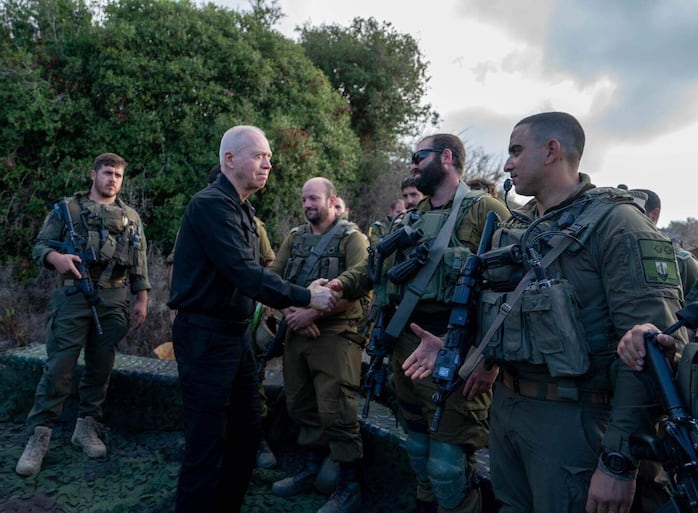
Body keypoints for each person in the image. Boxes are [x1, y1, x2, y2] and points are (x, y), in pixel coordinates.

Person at [401, 112, 685, 513]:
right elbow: (509, 318)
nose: (506, 163)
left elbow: (654, 352)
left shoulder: (618, 224)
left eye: (516, 151)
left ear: (552, 151)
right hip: (510, 413)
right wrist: (454, 346)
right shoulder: (519, 227)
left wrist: (619, 460)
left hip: (576, 423)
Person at [167, 125, 340, 513]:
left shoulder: (242, 210)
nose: (269, 163)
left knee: (246, 434)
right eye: (260, 156)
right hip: (206, 338)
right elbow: (245, 274)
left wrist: (297, 293)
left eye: (269, 157)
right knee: (206, 444)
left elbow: (262, 270)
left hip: (234, 337)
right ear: (229, 160)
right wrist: (305, 296)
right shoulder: (210, 205)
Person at [370, 134, 509, 513]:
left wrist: (487, 358)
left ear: (446, 157)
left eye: (419, 156)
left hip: (455, 353)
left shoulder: (486, 209)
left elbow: (511, 294)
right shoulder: (412, 217)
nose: (413, 165)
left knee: (447, 466)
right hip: (405, 348)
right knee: (418, 450)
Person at [16, 152, 151, 477]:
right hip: (74, 295)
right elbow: (39, 246)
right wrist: (56, 258)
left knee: (100, 366)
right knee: (59, 366)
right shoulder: (69, 209)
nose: (112, 180)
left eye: (118, 175)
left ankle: (86, 426)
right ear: (94, 175)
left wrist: (142, 297)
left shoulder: (130, 216)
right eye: (107, 173)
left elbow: (139, 258)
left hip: (115, 298)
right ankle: (39, 435)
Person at [269, 177, 371, 513]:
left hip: (335, 336)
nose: (308, 205)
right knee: (300, 405)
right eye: (304, 200)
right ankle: (310, 469)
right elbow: (274, 279)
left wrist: (312, 314)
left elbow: (362, 285)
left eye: (314, 198)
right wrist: (292, 314)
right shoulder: (295, 238)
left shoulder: (352, 239)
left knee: (337, 409)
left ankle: (348, 487)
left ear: (332, 200)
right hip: (298, 334)